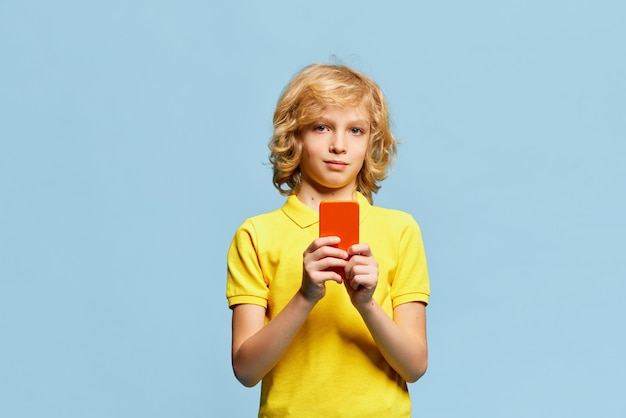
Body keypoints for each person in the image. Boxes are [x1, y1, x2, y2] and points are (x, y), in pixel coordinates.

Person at [226, 63, 430, 417]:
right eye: (321, 127)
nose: (338, 145)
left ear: (371, 142)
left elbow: (414, 366)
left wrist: (367, 304)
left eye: (355, 130)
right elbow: (246, 370)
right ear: (295, 136)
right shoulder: (257, 235)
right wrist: (305, 296)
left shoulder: (400, 230)